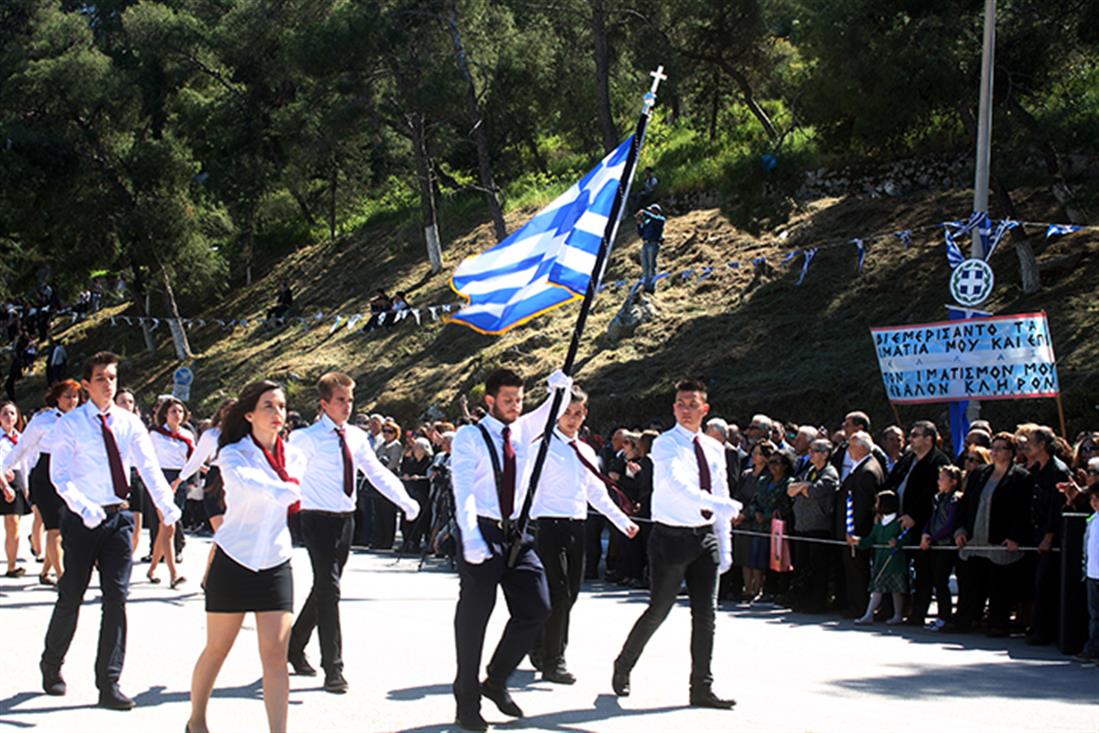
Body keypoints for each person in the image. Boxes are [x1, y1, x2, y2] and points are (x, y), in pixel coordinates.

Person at [32, 352, 181, 710]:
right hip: (82, 520)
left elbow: (147, 466)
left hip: (118, 519)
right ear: (86, 384)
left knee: (116, 598)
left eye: (112, 377)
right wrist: (84, 508)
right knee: (72, 595)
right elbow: (60, 477)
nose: (108, 384)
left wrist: (166, 505)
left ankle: (108, 681)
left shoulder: (129, 423)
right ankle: (51, 665)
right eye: (100, 378)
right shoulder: (71, 424)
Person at [450, 367, 572, 731]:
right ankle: (466, 700)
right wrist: (469, 534)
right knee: (474, 619)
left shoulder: (522, 429)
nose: (515, 407)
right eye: (508, 400)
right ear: (489, 401)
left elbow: (550, 412)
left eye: (519, 400)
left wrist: (559, 389)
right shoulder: (469, 437)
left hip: (517, 534)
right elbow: (463, 488)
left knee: (538, 608)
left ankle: (497, 679)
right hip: (482, 530)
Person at [288, 372, 420, 693]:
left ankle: (292, 645)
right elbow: (293, 471)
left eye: (350, 400)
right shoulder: (306, 438)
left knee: (324, 588)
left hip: (345, 521)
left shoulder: (357, 438)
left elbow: (376, 472)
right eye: (340, 400)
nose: (347, 406)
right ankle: (333, 668)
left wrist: (406, 501)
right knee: (329, 589)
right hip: (316, 519)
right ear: (324, 404)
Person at [612, 379, 740, 710]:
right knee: (660, 609)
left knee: (706, 615)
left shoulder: (714, 448)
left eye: (693, 404)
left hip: (704, 537)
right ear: (673, 408)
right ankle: (624, 663)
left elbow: (722, 492)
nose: (686, 410)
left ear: (705, 409)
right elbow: (677, 483)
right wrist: (715, 503)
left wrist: (725, 543)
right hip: (670, 538)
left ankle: (702, 687)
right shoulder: (665, 445)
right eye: (681, 404)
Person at [187, 381, 303, 733]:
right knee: (217, 648)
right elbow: (251, 482)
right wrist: (286, 489)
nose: (277, 413)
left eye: (281, 406)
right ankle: (197, 720)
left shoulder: (295, 455)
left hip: (274, 561)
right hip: (234, 559)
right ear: (250, 414)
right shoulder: (233, 452)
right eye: (268, 405)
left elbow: (301, 491)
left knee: (275, 656)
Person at [529, 385, 639, 684]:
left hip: (577, 527)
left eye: (578, 413)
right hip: (548, 526)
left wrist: (621, 521)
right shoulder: (541, 446)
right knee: (559, 594)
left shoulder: (586, 451)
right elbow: (523, 487)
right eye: (567, 412)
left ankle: (539, 642)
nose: (573, 419)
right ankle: (555, 661)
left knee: (572, 594)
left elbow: (597, 494)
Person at [951, 432, 1030, 635]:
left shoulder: (1020, 477)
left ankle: (998, 623)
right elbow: (965, 504)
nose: (995, 452)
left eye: (1000, 448)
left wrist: (1016, 536)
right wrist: (960, 530)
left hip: (999, 541)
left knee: (999, 585)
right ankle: (965, 620)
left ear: (1011, 453)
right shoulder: (980, 473)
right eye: (993, 448)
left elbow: (1022, 510)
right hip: (975, 538)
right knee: (970, 583)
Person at [3, 380, 82, 585]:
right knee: (54, 529)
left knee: (66, 530)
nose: (72, 401)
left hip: (71, 475)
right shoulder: (42, 421)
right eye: (67, 396)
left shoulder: (82, 420)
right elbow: (22, 448)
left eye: (75, 396)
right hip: (46, 476)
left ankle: (45, 571)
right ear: (57, 398)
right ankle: (62, 577)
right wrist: (3, 468)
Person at [887, 420, 951, 625]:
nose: (911, 438)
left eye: (916, 435)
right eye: (911, 434)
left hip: (923, 524)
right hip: (897, 519)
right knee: (898, 566)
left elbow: (932, 494)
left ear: (929, 439)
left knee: (924, 571)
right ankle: (895, 608)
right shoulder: (908, 458)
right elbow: (893, 480)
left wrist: (914, 515)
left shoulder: (938, 461)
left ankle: (919, 612)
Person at [175, 399, 236, 584]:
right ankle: (212, 577)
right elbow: (196, 459)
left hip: (236, 483)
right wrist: (180, 479)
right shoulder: (211, 435)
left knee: (229, 535)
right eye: (228, 410)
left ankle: (210, 577)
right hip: (215, 481)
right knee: (223, 533)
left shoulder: (244, 436)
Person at [1023, 425, 1072, 645]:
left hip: (1049, 535)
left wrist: (1049, 535)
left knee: (1046, 584)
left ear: (1042, 445)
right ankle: (1036, 625)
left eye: (1031, 442)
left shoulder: (1057, 471)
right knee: (1035, 583)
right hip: (1035, 532)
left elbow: (1056, 507)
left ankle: (1045, 631)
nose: (1026, 446)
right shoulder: (1036, 470)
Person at [835, 431, 885, 616]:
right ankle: (854, 604)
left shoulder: (868, 471)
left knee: (858, 570)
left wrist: (855, 531)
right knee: (852, 569)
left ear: (862, 448)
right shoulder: (860, 467)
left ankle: (860, 606)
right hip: (850, 530)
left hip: (857, 531)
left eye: (852, 446)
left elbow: (864, 506)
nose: (848, 450)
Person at [147, 397, 194, 588]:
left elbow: (193, 460)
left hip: (179, 480)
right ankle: (174, 573)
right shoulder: (156, 435)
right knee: (169, 525)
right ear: (165, 414)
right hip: (161, 478)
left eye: (181, 412)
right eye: (174, 411)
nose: (178, 415)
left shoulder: (187, 436)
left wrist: (190, 479)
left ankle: (152, 569)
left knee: (165, 526)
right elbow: (148, 459)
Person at [788, 439, 838, 613]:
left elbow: (814, 492)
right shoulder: (809, 471)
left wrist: (804, 488)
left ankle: (817, 603)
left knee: (818, 567)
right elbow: (790, 489)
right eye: (810, 450)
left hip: (818, 527)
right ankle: (802, 600)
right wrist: (804, 486)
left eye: (815, 450)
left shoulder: (830, 473)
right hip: (802, 526)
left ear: (825, 454)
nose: (811, 453)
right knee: (802, 566)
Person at [848, 491, 907, 626]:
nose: (875, 505)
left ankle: (898, 615)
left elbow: (906, 538)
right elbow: (871, 540)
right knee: (877, 589)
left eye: (878, 502)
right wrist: (858, 541)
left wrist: (898, 543)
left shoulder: (899, 522)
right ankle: (869, 614)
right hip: (880, 561)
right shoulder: (878, 523)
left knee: (896, 590)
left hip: (894, 562)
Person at [919, 465, 963, 627]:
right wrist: (925, 533)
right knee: (937, 581)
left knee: (941, 581)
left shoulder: (955, 499)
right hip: (935, 544)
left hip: (946, 545)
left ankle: (945, 616)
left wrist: (933, 537)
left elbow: (950, 525)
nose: (939, 481)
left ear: (953, 482)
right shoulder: (938, 498)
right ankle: (941, 616)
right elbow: (932, 519)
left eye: (942, 478)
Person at [113, 389, 147, 557]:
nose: (127, 405)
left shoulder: (139, 427)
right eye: (123, 402)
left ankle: (127, 559)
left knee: (136, 521)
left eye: (130, 402)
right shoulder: (109, 425)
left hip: (135, 474)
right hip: (115, 475)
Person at [0, 401, 30, 577]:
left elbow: (25, 464)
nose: (9, 417)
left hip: (16, 480)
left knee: (14, 525)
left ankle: (12, 565)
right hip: (2, 479)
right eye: (5, 413)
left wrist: (25, 486)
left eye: (12, 413)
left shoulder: (20, 438)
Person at [1076, 475, 1099, 664]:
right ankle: (1092, 648)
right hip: (1092, 574)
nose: (1095, 502)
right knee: (1094, 615)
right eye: (1093, 499)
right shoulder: (1092, 519)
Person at [371, 420, 404, 550]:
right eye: (384, 431)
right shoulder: (382, 445)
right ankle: (378, 538)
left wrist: (383, 471)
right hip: (379, 479)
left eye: (389, 432)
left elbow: (393, 462)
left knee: (388, 511)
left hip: (389, 477)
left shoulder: (396, 446)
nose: (386, 434)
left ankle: (387, 540)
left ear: (395, 433)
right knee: (378, 511)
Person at [399, 437, 434, 553]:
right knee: (406, 518)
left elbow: (429, 476)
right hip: (411, 492)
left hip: (422, 493)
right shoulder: (412, 461)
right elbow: (404, 468)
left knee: (421, 520)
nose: (416, 450)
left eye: (418, 447)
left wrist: (419, 478)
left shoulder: (429, 461)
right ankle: (407, 542)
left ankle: (417, 542)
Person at [635, 204, 665, 294]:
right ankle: (646, 286)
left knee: (652, 265)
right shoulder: (648, 222)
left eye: (652, 210)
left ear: (656, 211)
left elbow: (654, 218)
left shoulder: (660, 220)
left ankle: (651, 287)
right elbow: (641, 234)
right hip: (646, 244)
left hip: (654, 243)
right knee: (645, 266)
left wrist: (644, 212)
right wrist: (639, 224)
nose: (650, 212)